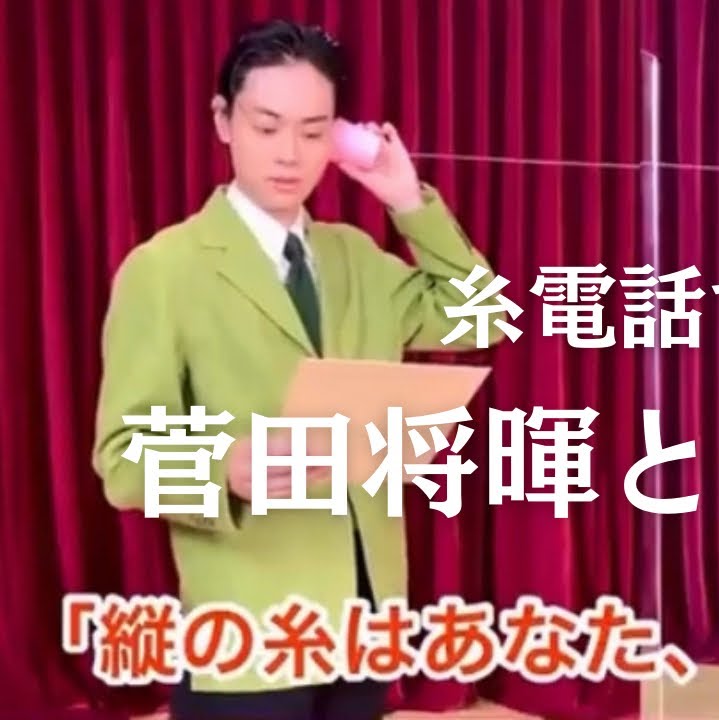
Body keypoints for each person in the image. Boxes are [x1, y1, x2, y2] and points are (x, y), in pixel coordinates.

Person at [91, 19, 499, 720]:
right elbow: (121, 460)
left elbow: (483, 319)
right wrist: (223, 466)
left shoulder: (355, 257)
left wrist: (408, 201)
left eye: (313, 133)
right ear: (223, 121)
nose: (290, 154)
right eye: (267, 126)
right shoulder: (163, 270)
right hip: (248, 631)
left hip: (365, 618)